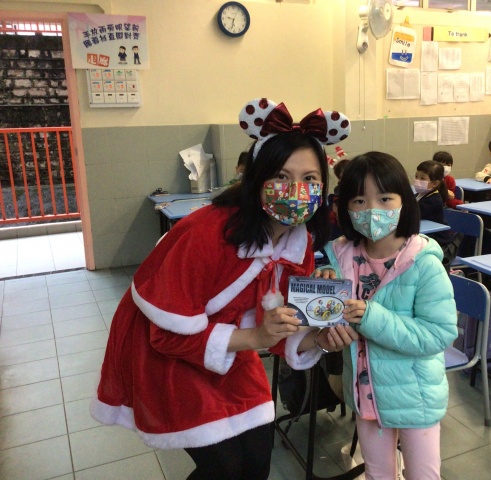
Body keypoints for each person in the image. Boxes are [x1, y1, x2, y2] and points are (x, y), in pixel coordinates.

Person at [90, 98, 358, 480]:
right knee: (225, 468)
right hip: (163, 351)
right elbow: (166, 336)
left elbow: (278, 335)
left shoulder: (297, 247)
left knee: (257, 459)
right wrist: (255, 336)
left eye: (310, 179)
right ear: (256, 179)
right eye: (281, 177)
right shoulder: (205, 234)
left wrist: (320, 338)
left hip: (229, 348)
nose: (296, 190)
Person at [317, 151, 458, 480]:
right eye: (359, 201)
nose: (372, 210)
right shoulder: (339, 256)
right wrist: (321, 287)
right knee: (378, 474)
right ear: (344, 208)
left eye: (384, 198)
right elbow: (325, 319)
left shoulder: (423, 263)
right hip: (366, 397)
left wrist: (371, 318)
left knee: (423, 476)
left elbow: (438, 335)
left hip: (415, 398)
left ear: (404, 201)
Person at [415, 160, 457, 267]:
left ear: (435, 183)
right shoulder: (419, 195)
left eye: (422, 178)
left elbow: (411, 213)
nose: (417, 180)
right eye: (416, 176)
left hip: (437, 241)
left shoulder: (434, 200)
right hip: (424, 236)